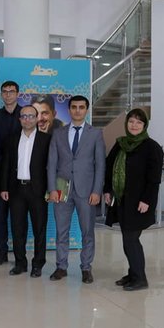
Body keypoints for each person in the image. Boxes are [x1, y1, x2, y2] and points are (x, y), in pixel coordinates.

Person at [47, 95, 105, 284]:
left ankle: (86, 268)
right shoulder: (58, 133)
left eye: (81, 107)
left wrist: (97, 191)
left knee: (87, 231)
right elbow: (52, 163)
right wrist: (52, 188)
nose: (77, 110)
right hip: (61, 190)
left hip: (87, 191)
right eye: (74, 107)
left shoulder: (95, 134)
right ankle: (61, 266)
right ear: (69, 109)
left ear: (86, 110)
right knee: (61, 230)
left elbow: (100, 165)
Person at [104, 109, 163, 291]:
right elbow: (109, 167)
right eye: (131, 121)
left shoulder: (152, 147)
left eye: (139, 122)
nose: (134, 125)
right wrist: (107, 190)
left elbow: (154, 179)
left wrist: (146, 200)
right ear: (126, 123)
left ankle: (140, 279)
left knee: (131, 239)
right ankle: (133, 274)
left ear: (144, 125)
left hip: (140, 202)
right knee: (128, 238)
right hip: (122, 200)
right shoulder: (121, 144)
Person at [0, 105, 51, 277]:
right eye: (24, 116)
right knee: (17, 228)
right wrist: (4, 187)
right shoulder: (12, 139)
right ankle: (20, 263)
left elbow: (51, 166)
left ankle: (38, 264)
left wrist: (51, 190)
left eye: (31, 116)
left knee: (39, 229)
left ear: (37, 119)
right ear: (20, 119)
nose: (27, 119)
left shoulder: (46, 139)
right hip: (16, 190)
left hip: (38, 191)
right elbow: (6, 164)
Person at [0, 80, 22, 266]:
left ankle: (19, 254)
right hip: (0, 171)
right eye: (5, 91)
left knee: (18, 216)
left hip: (21, 171)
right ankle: (1, 252)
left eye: (11, 91)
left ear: (18, 94)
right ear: (1, 94)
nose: (8, 94)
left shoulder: (26, 114)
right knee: (0, 215)